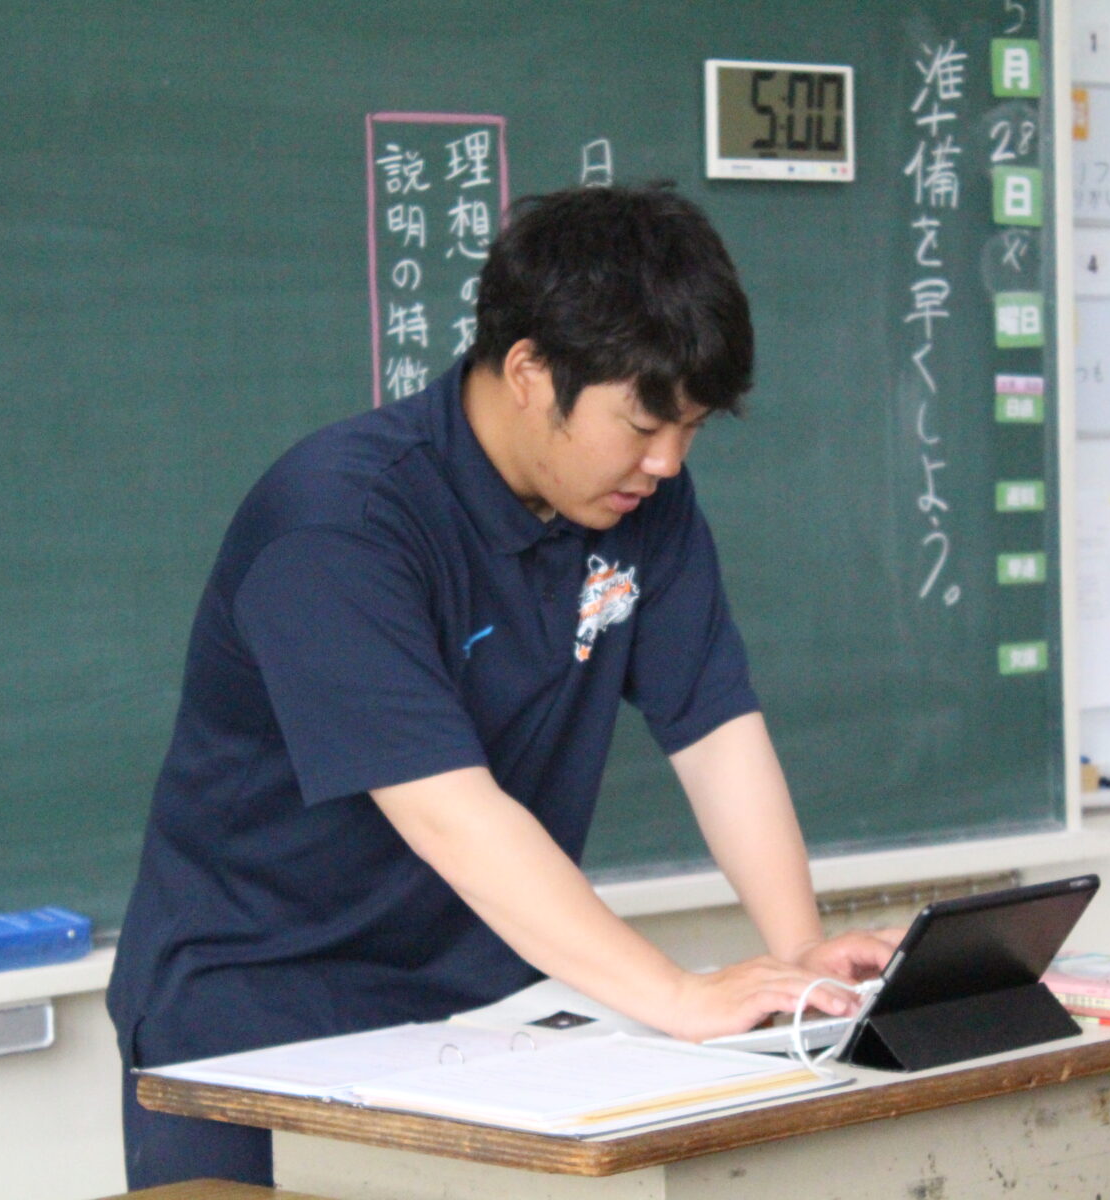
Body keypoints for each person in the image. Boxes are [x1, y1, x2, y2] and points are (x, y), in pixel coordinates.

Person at [106, 184, 899, 1188]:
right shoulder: (341, 524)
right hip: (254, 1009)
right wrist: (679, 995)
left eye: (692, 428)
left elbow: (715, 727)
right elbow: (451, 816)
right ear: (529, 370)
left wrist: (801, 956)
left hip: (479, 997)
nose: (666, 461)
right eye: (644, 422)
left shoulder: (641, 503)